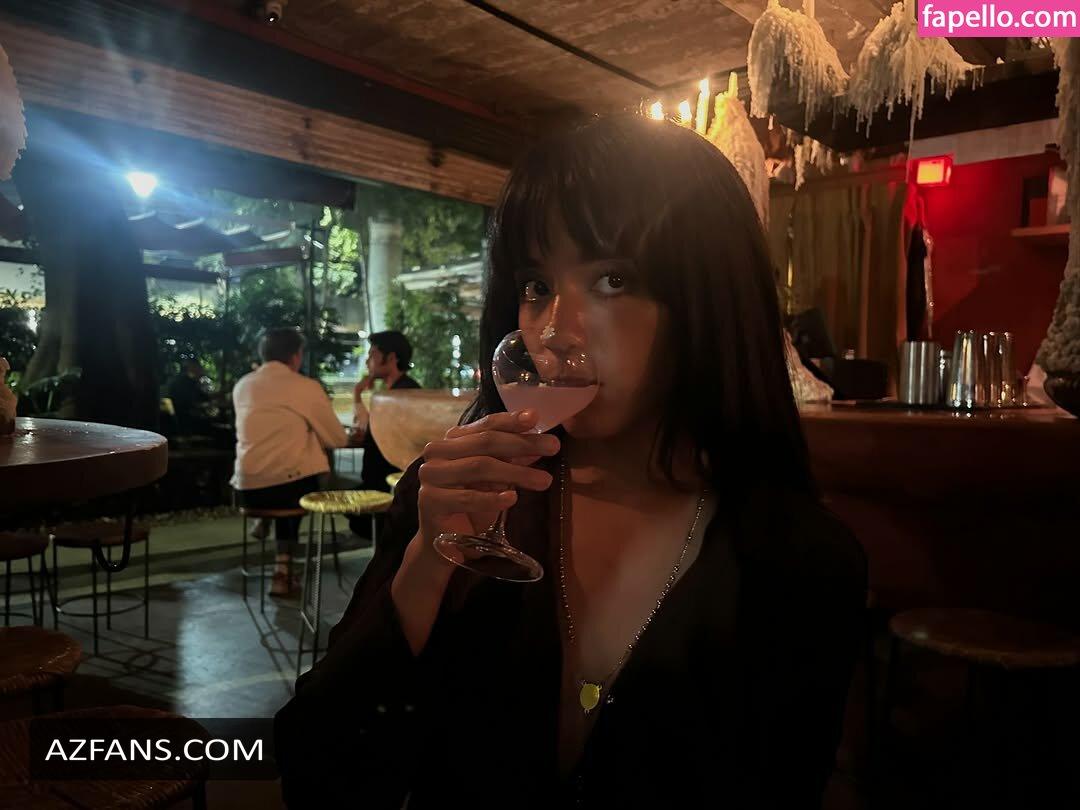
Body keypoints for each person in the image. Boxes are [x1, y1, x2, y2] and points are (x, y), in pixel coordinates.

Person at [275, 115, 866, 808]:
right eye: (534, 284)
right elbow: (317, 770)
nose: (554, 330)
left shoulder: (796, 558)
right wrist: (425, 568)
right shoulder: (459, 500)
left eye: (614, 278)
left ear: (709, 299)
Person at [232, 328, 348, 597]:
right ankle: (282, 570)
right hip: (287, 490)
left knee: (288, 453)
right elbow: (337, 439)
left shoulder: (243, 385)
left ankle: (264, 524)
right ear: (296, 356)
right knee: (297, 465)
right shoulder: (305, 387)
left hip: (246, 490)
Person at [350, 330, 421, 493]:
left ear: (391, 358)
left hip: (390, 486)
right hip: (381, 482)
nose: (367, 361)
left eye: (372, 355)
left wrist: (357, 393)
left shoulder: (403, 394)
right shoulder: (395, 391)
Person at [167, 359, 211, 435]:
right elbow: (189, 403)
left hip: (187, 419)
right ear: (192, 368)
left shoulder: (191, 382)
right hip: (185, 422)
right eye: (199, 367)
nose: (201, 370)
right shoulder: (183, 382)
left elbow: (205, 397)